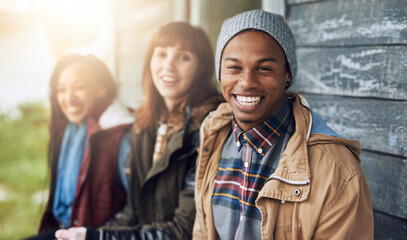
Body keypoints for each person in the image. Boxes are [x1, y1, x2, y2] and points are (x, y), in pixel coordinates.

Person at [192, 10, 374, 239]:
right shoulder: (213, 137)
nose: (247, 82)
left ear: (287, 74)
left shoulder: (337, 170)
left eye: (264, 68)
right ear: (220, 73)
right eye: (234, 67)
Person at [55, 21, 223, 240]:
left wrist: (98, 238)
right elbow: (133, 212)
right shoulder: (145, 126)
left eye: (183, 57)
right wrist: (93, 234)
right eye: (161, 54)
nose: (168, 66)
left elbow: (183, 230)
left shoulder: (207, 129)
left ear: (201, 68)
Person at [27, 54, 134, 240]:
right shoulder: (67, 127)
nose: (69, 98)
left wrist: (97, 235)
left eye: (80, 87)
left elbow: (135, 208)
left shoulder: (116, 134)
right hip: (62, 230)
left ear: (101, 89)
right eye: (61, 89)